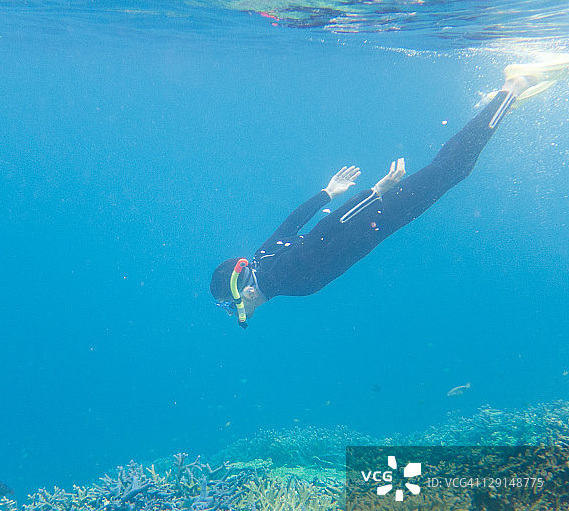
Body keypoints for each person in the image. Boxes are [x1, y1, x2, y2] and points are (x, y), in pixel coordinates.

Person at [210, 56, 569, 327]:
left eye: (229, 306)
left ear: (245, 293)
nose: (232, 313)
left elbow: (321, 235)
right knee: (446, 169)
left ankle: (512, 88)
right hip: (372, 217)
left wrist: (375, 193)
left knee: (451, 169)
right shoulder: (262, 259)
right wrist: (328, 192)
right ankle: (496, 106)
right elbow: (292, 224)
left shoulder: (283, 276)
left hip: (378, 217)